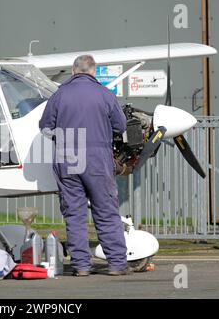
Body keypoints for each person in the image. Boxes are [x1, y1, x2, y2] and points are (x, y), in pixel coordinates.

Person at [39, 55, 130, 276]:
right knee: (106, 211)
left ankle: (81, 266)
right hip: (98, 158)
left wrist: (62, 138)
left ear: (73, 71)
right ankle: (117, 264)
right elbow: (120, 126)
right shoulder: (105, 94)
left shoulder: (59, 95)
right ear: (93, 72)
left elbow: (44, 127)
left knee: (74, 213)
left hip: (68, 156)